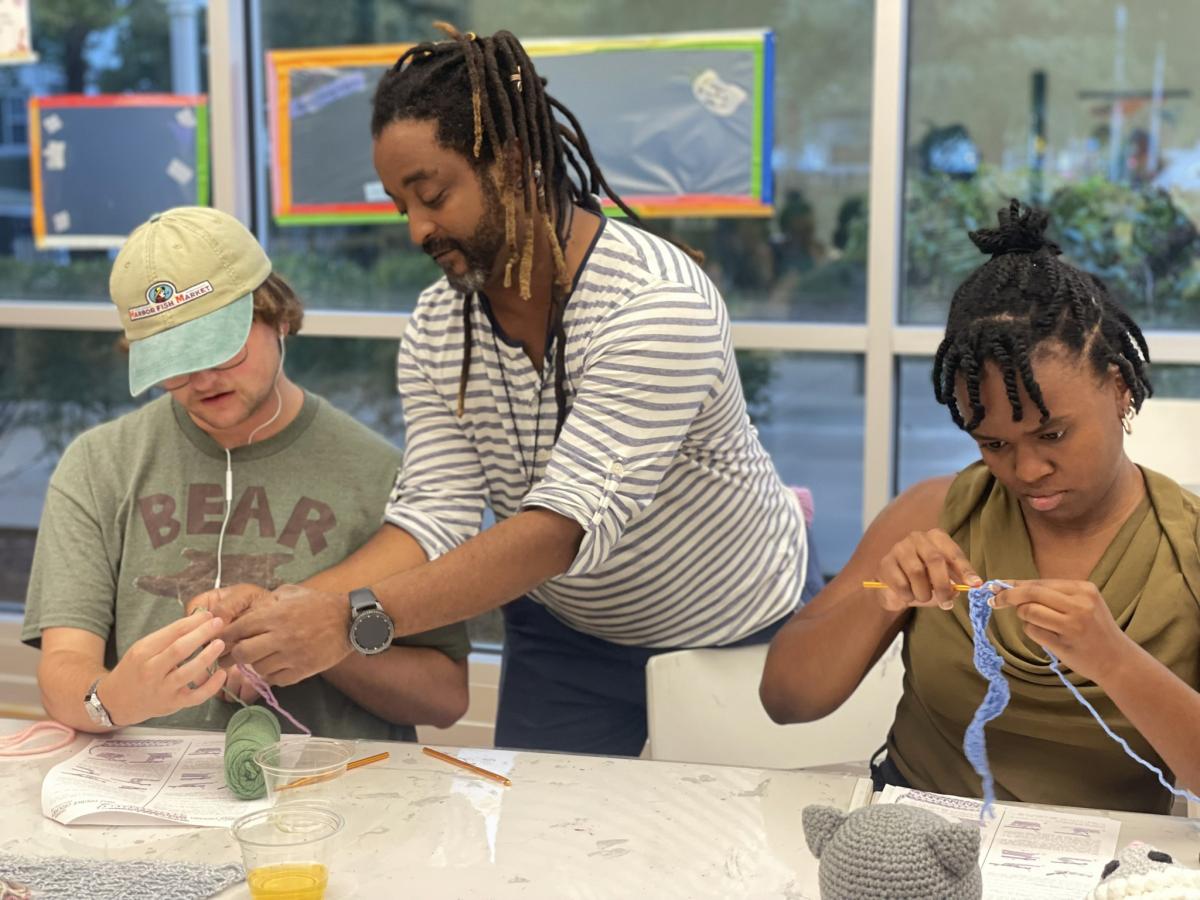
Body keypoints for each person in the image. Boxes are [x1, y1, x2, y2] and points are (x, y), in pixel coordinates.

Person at [194, 24, 820, 756]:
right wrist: (286, 613)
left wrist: (345, 619)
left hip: (733, 627)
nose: (418, 229)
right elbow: (434, 513)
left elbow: (560, 528)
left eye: (433, 195)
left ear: (515, 165)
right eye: (401, 206)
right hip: (568, 637)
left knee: (731, 829)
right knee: (546, 827)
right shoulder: (439, 325)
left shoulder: (654, 304)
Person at [760, 200, 1200, 815]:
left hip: (1101, 854)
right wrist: (881, 595)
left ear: (1120, 388)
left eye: (1052, 434)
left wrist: (1114, 660)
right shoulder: (935, 512)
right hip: (910, 837)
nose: (1027, 470)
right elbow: (786, 700)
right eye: (994, 444)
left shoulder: (1187, 548)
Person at [22, 206, 470, 741]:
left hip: (333, 783)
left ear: (278, 315)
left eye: (220, 349)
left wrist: (320, 638)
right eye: (173, 362)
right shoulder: (99, 465)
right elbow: (62, 672)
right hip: (145, 781)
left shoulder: (383, 475)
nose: (202, 378)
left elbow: (446, 699)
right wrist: (111, 699)